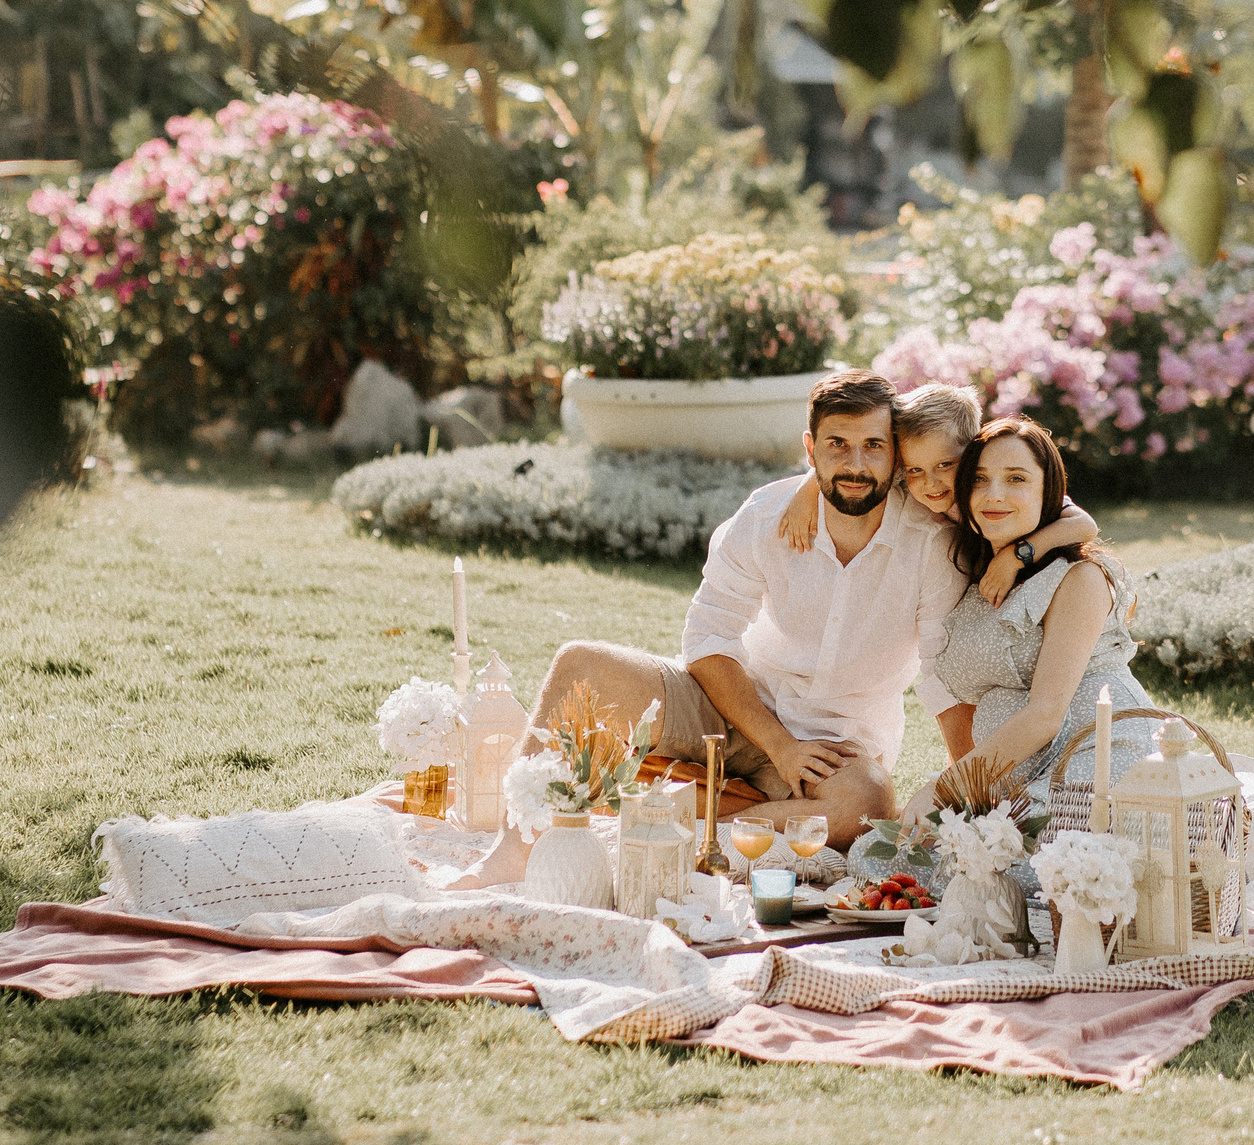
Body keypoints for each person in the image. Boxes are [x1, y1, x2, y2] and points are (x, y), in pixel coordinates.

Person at [462, 370, 969, 884]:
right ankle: (513, 849)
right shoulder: (767, 514)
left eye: (872, 446)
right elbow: (708, 639)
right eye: (838, 444)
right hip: (732, 707)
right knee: (582, 665)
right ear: (810, 449)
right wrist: (778, 744)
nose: (855, 464)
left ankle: (682, 829)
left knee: (868, 803)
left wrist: (971, 795)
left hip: (835, 748)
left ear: (896, 456)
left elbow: (942, 677)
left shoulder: (930, 544)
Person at [906, 417, 1159, 819]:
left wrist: (944, 788)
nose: (994, 495)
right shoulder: (977, 579)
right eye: (979, 480)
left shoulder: (1079, 577)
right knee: (890, 859)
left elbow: (1044, 714)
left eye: (1017, 479)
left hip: (1096, 756)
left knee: (1021, 869)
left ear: (1049, 492)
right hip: (1012, 774)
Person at [775, 382, 1099, 609]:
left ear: (974, 450)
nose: (930, 484)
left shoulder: (990, 490)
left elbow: (1084, 524)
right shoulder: (912, 478)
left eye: (945, 464)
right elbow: (859, 470)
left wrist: (1014, 557)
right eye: (915, 470)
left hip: (1039, 576)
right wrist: (809, 487)